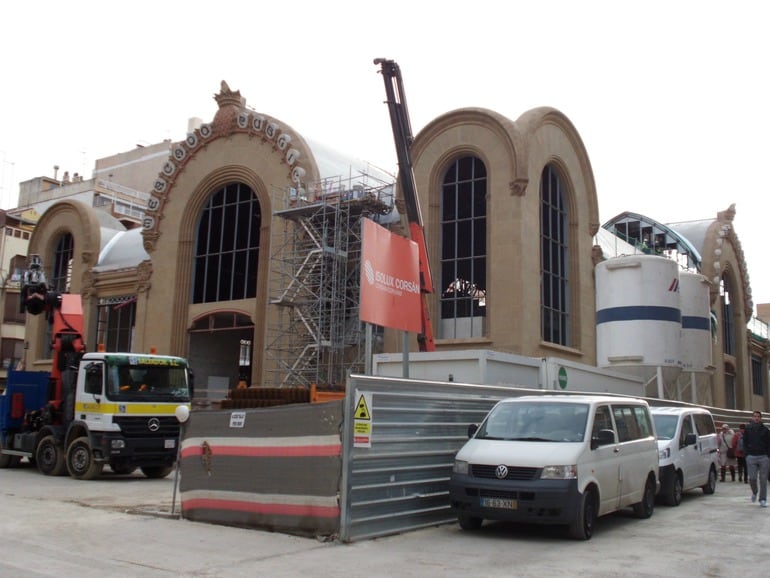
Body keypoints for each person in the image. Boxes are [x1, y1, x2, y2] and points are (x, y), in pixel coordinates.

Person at [743, 411, 770, 507]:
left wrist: (768, 455)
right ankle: (754, 492)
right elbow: (744, 442)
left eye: (758, 416)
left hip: (763, 456)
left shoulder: (765, 430)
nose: (756, 418)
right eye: (755, 416)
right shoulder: (748, 429)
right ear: (752, 418)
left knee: (763, 479)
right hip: (751, 456)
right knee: (752, 478)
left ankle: (762, 499)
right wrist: (746, 455)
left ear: (761, 418)